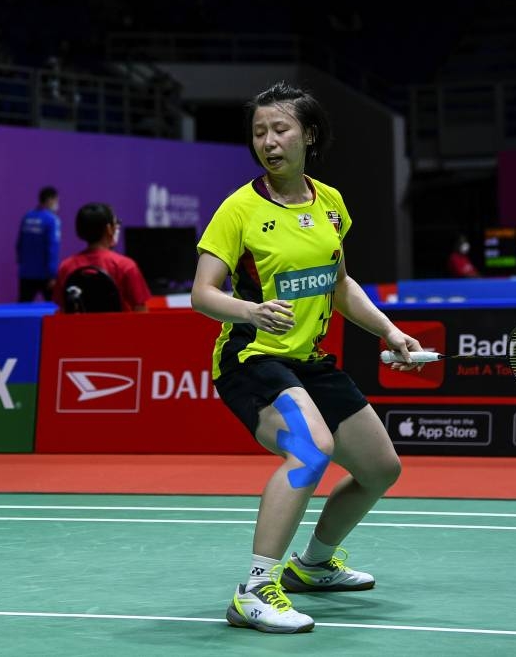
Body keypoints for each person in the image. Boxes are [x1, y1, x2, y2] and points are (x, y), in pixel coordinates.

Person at [190, 81, 424, 634]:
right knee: (310, 448)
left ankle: (312, 565)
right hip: (251, 358)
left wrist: (390, 331)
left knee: (380, 469)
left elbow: (339, 286)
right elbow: (203, 292)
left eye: (280, 129)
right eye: (259, 133)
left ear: (308, 135)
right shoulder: (239, 209)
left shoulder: (331, 203)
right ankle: (253, 590)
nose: (268, 142)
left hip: (309, 359)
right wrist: (249, 312)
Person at [54, 202, 151, 312]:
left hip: (81, 329)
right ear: (109, 229)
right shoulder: (126, 266)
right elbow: (140, 309)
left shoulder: (66, 267)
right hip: (119, 329)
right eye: (115, 223)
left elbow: (63, 309)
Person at [16, 186, 61, 302]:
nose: (57, 204)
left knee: (22, 309)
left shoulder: (27, 217)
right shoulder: (52, 220)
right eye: (56, 201)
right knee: (54, 309)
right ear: (50, 200)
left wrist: (22, 265)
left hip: (26, 273)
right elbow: (52, 248)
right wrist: (52, 274)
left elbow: (19, 245)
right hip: (45, 274)